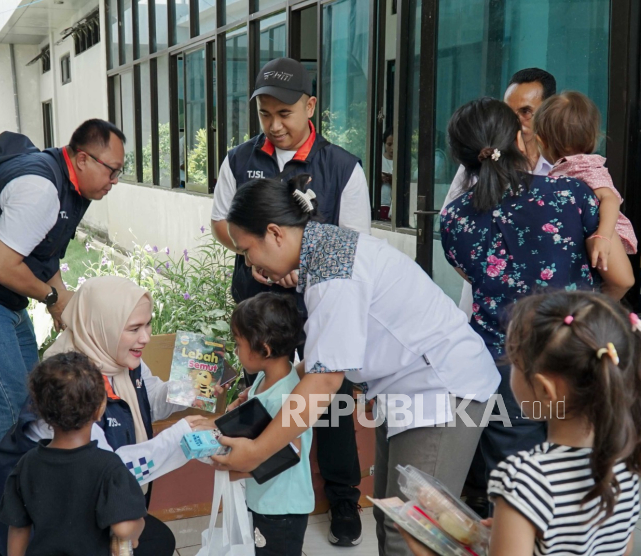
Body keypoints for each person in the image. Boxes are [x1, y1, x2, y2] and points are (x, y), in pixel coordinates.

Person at [212, 174, 500, 556]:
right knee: (392, 518)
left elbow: (325, 383)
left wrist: (258, 451)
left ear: (275, 233)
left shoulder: (333, 272)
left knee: (413, 534)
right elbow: (325, 359)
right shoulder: (325, 252)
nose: (251, 265)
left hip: (441, 391)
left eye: (247, 250)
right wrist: (269, 388)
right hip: (408, 391)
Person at [0, 119, 126, 516]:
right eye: (111, 169)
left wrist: (61, 301)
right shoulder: (40, 188)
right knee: (12, 412)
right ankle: (6, 514)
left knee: (34, 402)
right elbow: (1, 265)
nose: (115, 179)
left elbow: (42, 250)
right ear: (82, 158)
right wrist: (51, 296)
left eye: (120, 169)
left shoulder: (69, 183)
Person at [440, 97, 632, 519]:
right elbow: (621, 278)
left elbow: (476, 280)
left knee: (515, 492)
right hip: (576, 354)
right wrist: (587, 315)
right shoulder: (572, 194)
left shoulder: (454, 219)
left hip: (502, 365)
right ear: (517, 139)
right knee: (586, 484)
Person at [210, 56, 371, 547]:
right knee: (266, 398)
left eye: (286, 113)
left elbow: (352, 241)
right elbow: (222, 222)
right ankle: (268, 495)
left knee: (332, 401)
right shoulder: (239, 159)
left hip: (320, 306)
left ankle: (343, 498)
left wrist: (305, 264)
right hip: (261, 312)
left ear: (311, 107)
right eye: (265, 115)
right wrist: (256, 257)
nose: (275, 125)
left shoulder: (342, 166)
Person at [400, 290, 641, 556]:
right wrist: (510, 533)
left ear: (544, 389)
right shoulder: (625, 465)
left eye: (513, 362)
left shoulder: (523, 477)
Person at [0, 276, 214, 556]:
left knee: (158, 541)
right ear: (103, 326)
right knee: (153, 544)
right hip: (49, 529)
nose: (146, 337)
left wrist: (193, 386)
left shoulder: (116, 357)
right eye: (134, 329)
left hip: (83, 511)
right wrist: (179, 436)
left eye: (147, 324)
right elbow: (107, 471)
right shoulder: (67, 384)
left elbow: (147, 401)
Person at [0, 352, 147, 556]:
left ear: (40, 410)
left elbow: (17, 528)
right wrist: (137, 527)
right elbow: (123, 528)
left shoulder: (27, 464)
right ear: (100, 409)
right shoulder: (109, 466)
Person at [445, 68, 557, 316]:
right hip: (486, 310)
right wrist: (491, 282)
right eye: (510, 112)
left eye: (526, 112)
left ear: (549, 112)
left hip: (548, 315)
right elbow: (452, 235)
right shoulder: (477, 164)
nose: (516, 121)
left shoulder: (567, 167)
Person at [228, 293, 314, 556]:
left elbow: (292, 451)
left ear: (263, 349)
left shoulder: (286, 396)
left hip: (282, 509)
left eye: (238, 344)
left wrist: (240, 470)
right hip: (265, 498)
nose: (235, 350)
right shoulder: (268, 378)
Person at [534, 91, 637, 299]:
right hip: (591, 236)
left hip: (604, 232)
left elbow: (610, 198)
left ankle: (600, 311)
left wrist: (603, 235)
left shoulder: (585, 167)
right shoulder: (566, 167)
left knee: (615, 285)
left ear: (541, 141)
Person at [380, 127, 393, 220]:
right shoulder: (379, 160)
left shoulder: (405, 162)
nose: (392, 148)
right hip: (382, 203)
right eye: (389, 144)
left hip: (397, 206)